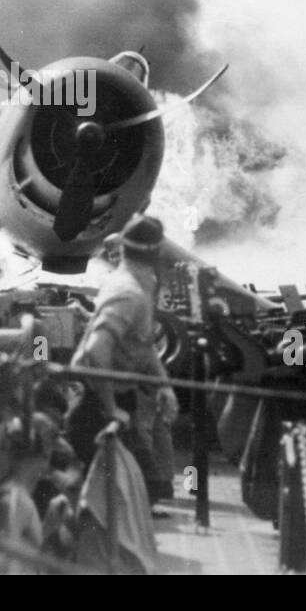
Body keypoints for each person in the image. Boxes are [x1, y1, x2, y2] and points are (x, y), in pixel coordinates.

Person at [67, 214, 179, 504]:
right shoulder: (129, 293)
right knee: (131, 493)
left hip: (119, 398)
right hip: (98, 406)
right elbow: (96, 350)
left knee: (148, 488)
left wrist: (163, 386)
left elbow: (143, 344)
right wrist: (110, 407)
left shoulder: (139, 286)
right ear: (157, 255)